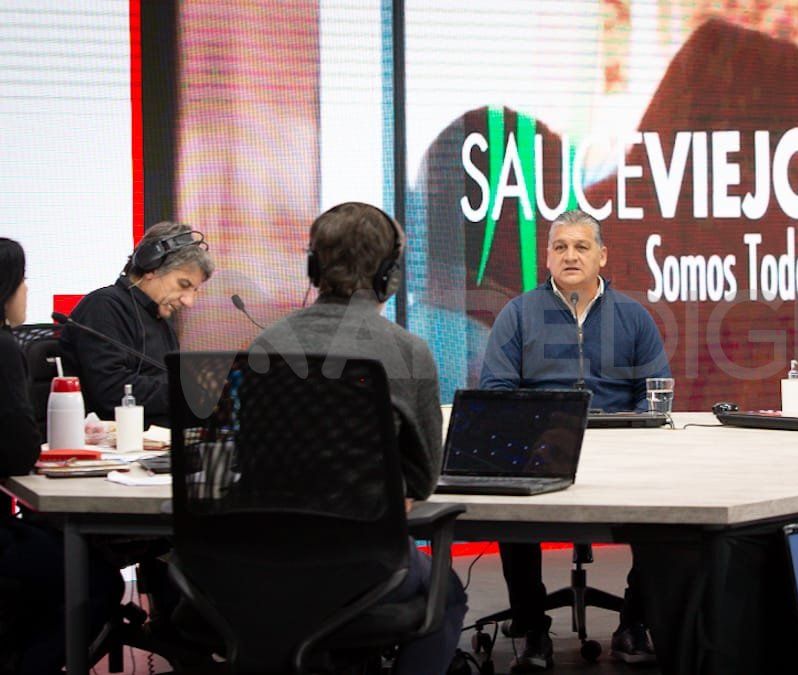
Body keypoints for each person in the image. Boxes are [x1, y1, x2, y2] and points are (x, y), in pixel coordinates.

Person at [250, 202, 465, 673]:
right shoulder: (407, 351)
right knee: (446, 594)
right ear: (390, 274)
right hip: (366, 567)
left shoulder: (265, 344)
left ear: (313, 267)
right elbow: (424, 478)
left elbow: (248, 460)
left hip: (261, 566)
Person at [479, 209, 670, 671]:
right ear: (546, 257)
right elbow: (496, 394)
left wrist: (636, 431)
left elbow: (657, 395)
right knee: (510, 511)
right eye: (560, 247)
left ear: (602, 256)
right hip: (542, 450)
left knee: (671, 511)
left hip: (621, 451)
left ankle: (633, 621)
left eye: (581, 247)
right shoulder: (519, 314)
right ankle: (534, 632)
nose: (570, 256)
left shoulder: (634, 317)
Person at [0, 237, 123, 674]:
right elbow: (17, 453)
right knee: (95, 582)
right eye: (23, 280)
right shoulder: (2, 347)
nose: (27, 289)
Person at [60, 221, 214, 427]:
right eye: (183, 285)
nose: (189, 301)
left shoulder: (160, 320)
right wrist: (186, 390)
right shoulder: (103, 307)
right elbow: (111, 390)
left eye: (195, 290)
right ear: (151, 268)